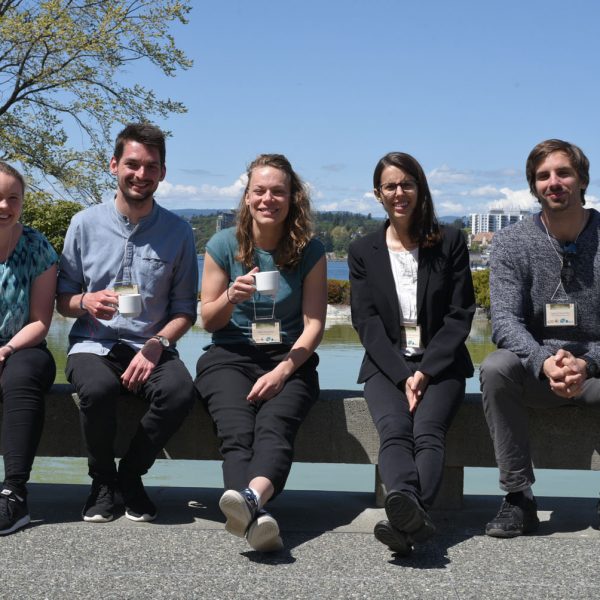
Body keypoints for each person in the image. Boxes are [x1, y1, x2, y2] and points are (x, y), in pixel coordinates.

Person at [56, 123, 198, 524]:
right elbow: (62, 301)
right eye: (132, 164)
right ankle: (102, 482)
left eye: (151, 167)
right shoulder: (83, 224)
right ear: (114, 165)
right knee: (97, 389)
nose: (141, 174)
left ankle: (130, 476)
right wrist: (85, 300)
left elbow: (186, 309)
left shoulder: (179, 231)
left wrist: (157, 344)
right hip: (92, 343)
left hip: (149, 343)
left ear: (162, 173)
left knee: (179, 391)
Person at [195, 154, 327, 552]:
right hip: (229, 355)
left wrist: (284, 370)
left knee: (275, 428)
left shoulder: (310, 249)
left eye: (278, 191)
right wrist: (231, 298)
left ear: (292, 198)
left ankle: (249, 503)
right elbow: (208, 321)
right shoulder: (222, 245)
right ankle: (257, 513)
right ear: (247, 197)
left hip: (288, 358)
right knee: (237, 433)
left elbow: (315, 325)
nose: (268, 198)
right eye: (260, 191)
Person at [348, 152, 475, 556]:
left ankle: (404, 514)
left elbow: (460, 314)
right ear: (377, 194)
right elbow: (365, 321)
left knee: (427, 432)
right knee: (395, 430)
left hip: (442, 364)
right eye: (390, 186)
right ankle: (410, 512)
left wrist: (426, 371)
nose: (399, 192)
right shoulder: (362, 250)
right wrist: (403, 375)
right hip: (387, 366)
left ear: (420, 188)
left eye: (407, 184)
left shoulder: (450, 241)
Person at [481, 139, 600, 538]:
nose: (554, 182)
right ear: (533, 186)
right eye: (543, 176)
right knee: (496, 366)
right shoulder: (512, 242)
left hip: (596, 372)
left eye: (563, 173)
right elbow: (504, 320)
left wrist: (588, 363)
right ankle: (518, 498)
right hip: (537, 370)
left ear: (582, 179)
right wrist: (543, 361)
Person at [0, 162, 58, 535]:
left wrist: (4, 350)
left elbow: (41, 321)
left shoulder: (38, 248)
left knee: (22, 376)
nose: (4, 206)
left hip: (24, 344)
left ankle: (13, 494)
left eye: (12, 198)